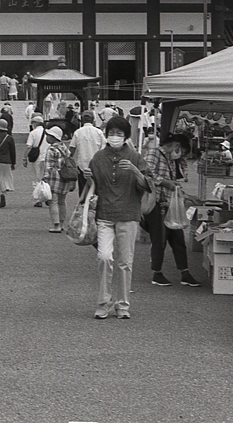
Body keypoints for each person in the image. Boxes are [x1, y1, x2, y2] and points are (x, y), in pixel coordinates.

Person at [89, 115, 153, 320]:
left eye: (119, 133)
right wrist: (86, 179)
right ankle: (103, 302)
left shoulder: (135, 157)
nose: (115, 137)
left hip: (128, 214)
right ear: (106, 135)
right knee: (104, 257)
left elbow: (148, 186)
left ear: (126, 136)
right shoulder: (98, 157)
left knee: (125, 261)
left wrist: (136, 172)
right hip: (104, 213)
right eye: (111, 133)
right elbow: (91, 186)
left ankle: (122, 304)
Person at [143, 133, 201, 288]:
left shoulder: (170, 159)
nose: (180, 154)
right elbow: (146, 175)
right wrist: (164, 182)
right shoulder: (154, 153)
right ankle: (157, 272)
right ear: (176, 145)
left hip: (170, 204)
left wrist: (188, 197)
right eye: (181, 150)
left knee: (178, 239)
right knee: (159, 239)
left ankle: (185, 273)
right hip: (156, 204)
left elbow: (174, 185)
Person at [42, 126, 75, 232]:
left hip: (54, 176)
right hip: (65, 175)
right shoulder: (64, 147)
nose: (47, 137)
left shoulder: (51, 149)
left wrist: (45, 177)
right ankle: (62, 223)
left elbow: (48, 166)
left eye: (49, 135)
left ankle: (56, 225)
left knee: (53, 201)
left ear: (53, 137)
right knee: (62, 201)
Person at [69, 111, 105, 195]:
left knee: (83, 190)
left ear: (82, 120)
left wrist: (69, 162)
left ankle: (83, 205)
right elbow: (104, 147)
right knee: (96, 189)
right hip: (97, 164)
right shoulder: (98, 132)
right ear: (93, 120)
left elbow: (72, 149)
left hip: (82, 165)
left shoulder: (78, 132)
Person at [25, 114, 50, 204]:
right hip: (47, 157)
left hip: (37, 158)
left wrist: (25, 158)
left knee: (37, 178)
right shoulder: (48, 132)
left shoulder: (33, 133)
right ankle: (47, 195)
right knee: (46, 177)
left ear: (35, 123)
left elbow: (29, 146)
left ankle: (39, 199)